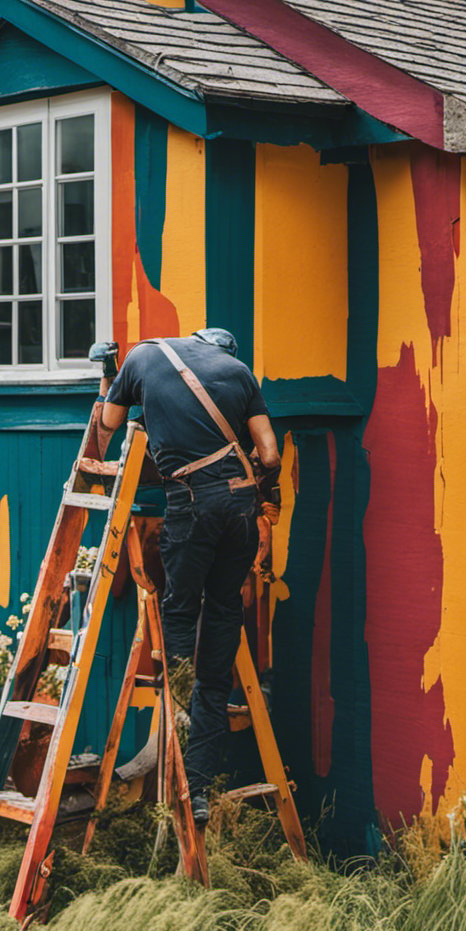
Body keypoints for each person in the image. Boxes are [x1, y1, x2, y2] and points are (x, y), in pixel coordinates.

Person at [96, 328, 281, 825]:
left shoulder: (144, 357)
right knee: (222, 626)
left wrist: (108, 382)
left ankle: (173, 737)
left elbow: (107, 426)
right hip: (241, 511)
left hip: (191, 507)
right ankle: (196, 788)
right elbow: (269, 454)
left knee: (179, 614)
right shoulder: (240, 373)